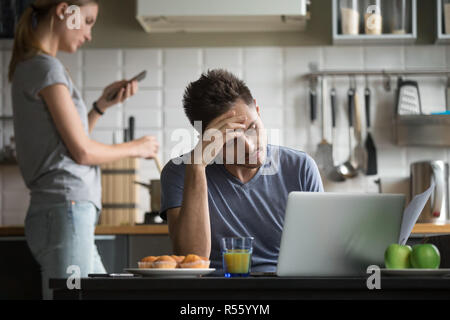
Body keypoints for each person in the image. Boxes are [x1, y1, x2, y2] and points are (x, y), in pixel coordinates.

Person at [8, 0, 159, 299]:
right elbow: (83, 153)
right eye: (88, 21)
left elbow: (66, 143)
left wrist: (101, 106)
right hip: (66, 211)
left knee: (94, 295)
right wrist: (136, 147)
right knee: (72, 297)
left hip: (63, 212)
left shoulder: (34, 66)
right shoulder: (45, 68)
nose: (89, 33)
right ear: (65, 11)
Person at [160, 69, 323, 272]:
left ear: (257, 108)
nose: (250, 147)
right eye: (231, 139)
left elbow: (320, 254)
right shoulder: (179, 172)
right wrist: (197, 167)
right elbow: (193, 263)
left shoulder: (300, 168)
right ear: (206, 139)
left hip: (284, 289)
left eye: (251, 128)